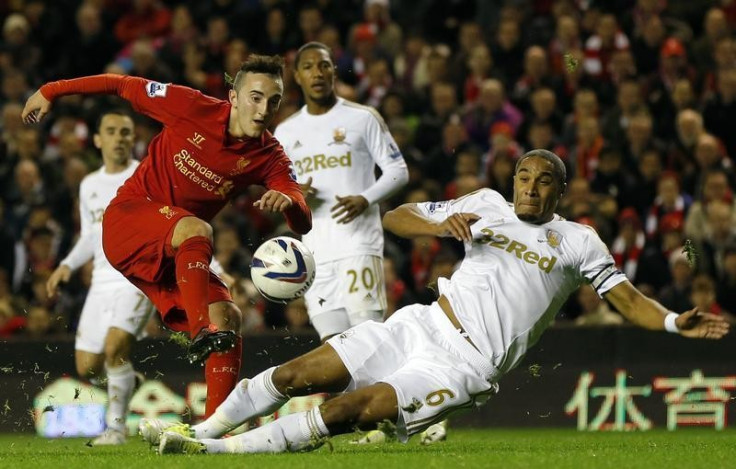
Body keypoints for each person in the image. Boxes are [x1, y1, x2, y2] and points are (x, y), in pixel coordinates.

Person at [138, 149, 728, 455]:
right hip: (419, 325)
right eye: (523, 174)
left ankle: (219, 453)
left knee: (351, 412)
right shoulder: (487, 204)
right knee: (298, 374)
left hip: (464, 365)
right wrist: (440, 227)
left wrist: (675, 321)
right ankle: (203, 429)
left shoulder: (578, 241)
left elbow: (625, 299)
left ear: (560, 191)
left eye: (543, 179)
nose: (528, 184)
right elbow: (396, 215)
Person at [22, 54, 312, 419]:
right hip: (128, 221)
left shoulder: (269, 154)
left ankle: (214, 428)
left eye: (274, 101)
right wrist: (51, 90)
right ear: (234, 97)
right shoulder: (190, 105)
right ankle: (198, 330)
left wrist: (289, 202)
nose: (264, 109)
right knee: (196, 230)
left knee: (228, 316)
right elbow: (121, 84)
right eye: (255, 97)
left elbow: (302, 221)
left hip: (174, 254)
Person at [273, 41, 408, 342]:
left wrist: (365, 198)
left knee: (366, 338)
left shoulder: (362, 118)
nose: (317, 73)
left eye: (323, 65)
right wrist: (294, 194)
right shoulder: (285, 132)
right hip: (316, 251)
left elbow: (398, 171)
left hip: (358, 243)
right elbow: (280, 187)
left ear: (334, 70)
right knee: (331, 345)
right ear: (296, 76)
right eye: (308, 67)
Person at [45, 109, 151, 445]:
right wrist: (66, 265)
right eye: (111, 131)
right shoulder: (89, 184)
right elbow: (91, 235)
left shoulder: (146, 177)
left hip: (137, 277)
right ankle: (127, 381)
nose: (119, 137)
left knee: (114, 347)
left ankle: (116, 429)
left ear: (133, 138)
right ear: (97, 140)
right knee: (87, 366)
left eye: (125, 132)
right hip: (102, 281)